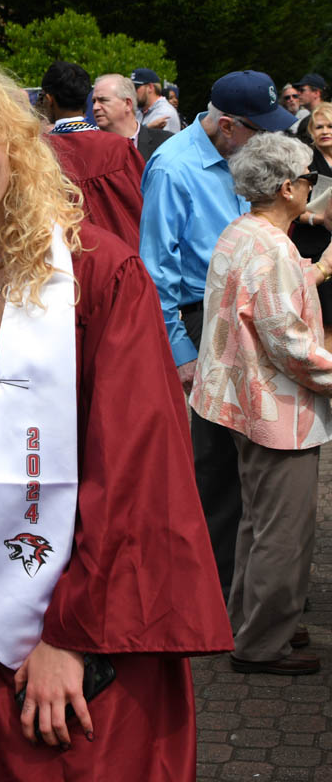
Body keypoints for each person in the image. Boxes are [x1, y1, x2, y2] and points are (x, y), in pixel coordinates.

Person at [0, 56, 231, 782]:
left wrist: (73, 633)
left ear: (17, 142)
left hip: (62, 580)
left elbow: (136, 469)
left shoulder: (97, 274)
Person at [139, 70, 295, 597]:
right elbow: (156, 269)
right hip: (203, 318)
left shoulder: (237, 153)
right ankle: (211, 597)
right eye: (261, 130)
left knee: (259, 454)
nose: (270, 141)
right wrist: (181, 349)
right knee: (217, 465)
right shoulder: (173, 167)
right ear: (227, 126)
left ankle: (250, 593)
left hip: (246, 312)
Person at [190, 132, 332, 675]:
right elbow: (290, 344)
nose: (314, 187)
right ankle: (262, 643)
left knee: (258, 522)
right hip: (273, 410)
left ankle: (251, 622)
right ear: (288, 187)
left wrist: (317, 270)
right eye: (310, 178)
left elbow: (263, 304)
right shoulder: (274, 247)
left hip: (238, 401)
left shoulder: (241, 230)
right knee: (284, 533)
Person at [39, 63, 144, 246]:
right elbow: (144, 205)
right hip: (123, 252)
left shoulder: (39, 152)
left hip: (70, 254)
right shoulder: (119, 147)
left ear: (49, 99)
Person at [289, 101, 332, 327]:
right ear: (311, 132)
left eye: (330, 126)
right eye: (319, 127)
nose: (325, 131)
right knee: (323, 320)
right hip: (313, 246)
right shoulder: (306, 162)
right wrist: (320, 219)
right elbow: (293, 208)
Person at [92, 73, 172, 162]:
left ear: (127, 104)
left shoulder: (165, 143)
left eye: (103, 100)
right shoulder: (89, 148)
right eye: (94, 101)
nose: (95, 107)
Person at [131, 67, 180, 132]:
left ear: (150, 87)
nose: (132, 91)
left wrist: (147, 128)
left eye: (135, 87)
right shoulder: (140, 111)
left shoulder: (164, 112)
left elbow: (142, 138)